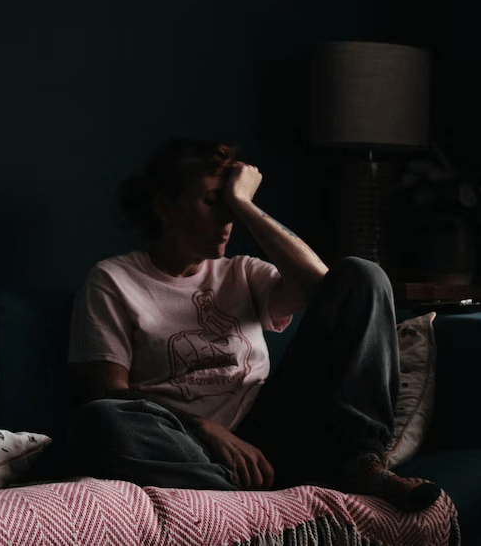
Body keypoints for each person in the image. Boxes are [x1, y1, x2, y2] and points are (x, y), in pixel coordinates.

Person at [67, 138, 440, 511]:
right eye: (213, 202)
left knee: (364, 274)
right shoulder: (113, 280)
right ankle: (251, 499)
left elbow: (326, 286)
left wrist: (245, 204)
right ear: (165, 206)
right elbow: (109, 392)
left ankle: (361, 464)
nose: (226, 218)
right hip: (186, 442)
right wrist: (205, 428)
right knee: (104, 421)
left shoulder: (242, 272)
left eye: (231, 204)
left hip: (273, 432)